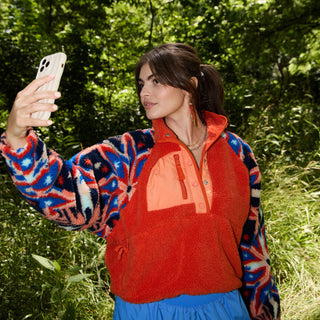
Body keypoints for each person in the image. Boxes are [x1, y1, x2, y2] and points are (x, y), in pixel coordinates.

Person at [0, 43, 280, 320]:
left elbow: (253, 243)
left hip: (226, 309)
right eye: (141, 84)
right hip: (146, 311)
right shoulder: (128, 153)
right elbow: (64, 194)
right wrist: (17, 138)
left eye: (156, 81)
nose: (145, 92)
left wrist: (265, 311)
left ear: (190, 85)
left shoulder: (237, 152)